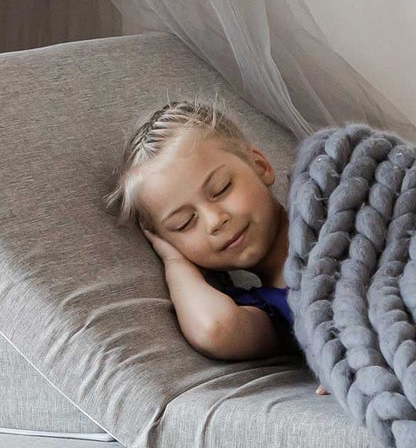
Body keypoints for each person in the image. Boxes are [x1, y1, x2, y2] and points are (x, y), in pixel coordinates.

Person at [105, 98, 327, 392]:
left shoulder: (329, 203)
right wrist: (174, 260)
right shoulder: (272, 309)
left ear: (260, 165)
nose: (214, 221)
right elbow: (215, 327)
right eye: (184, 223)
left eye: (221, 188)